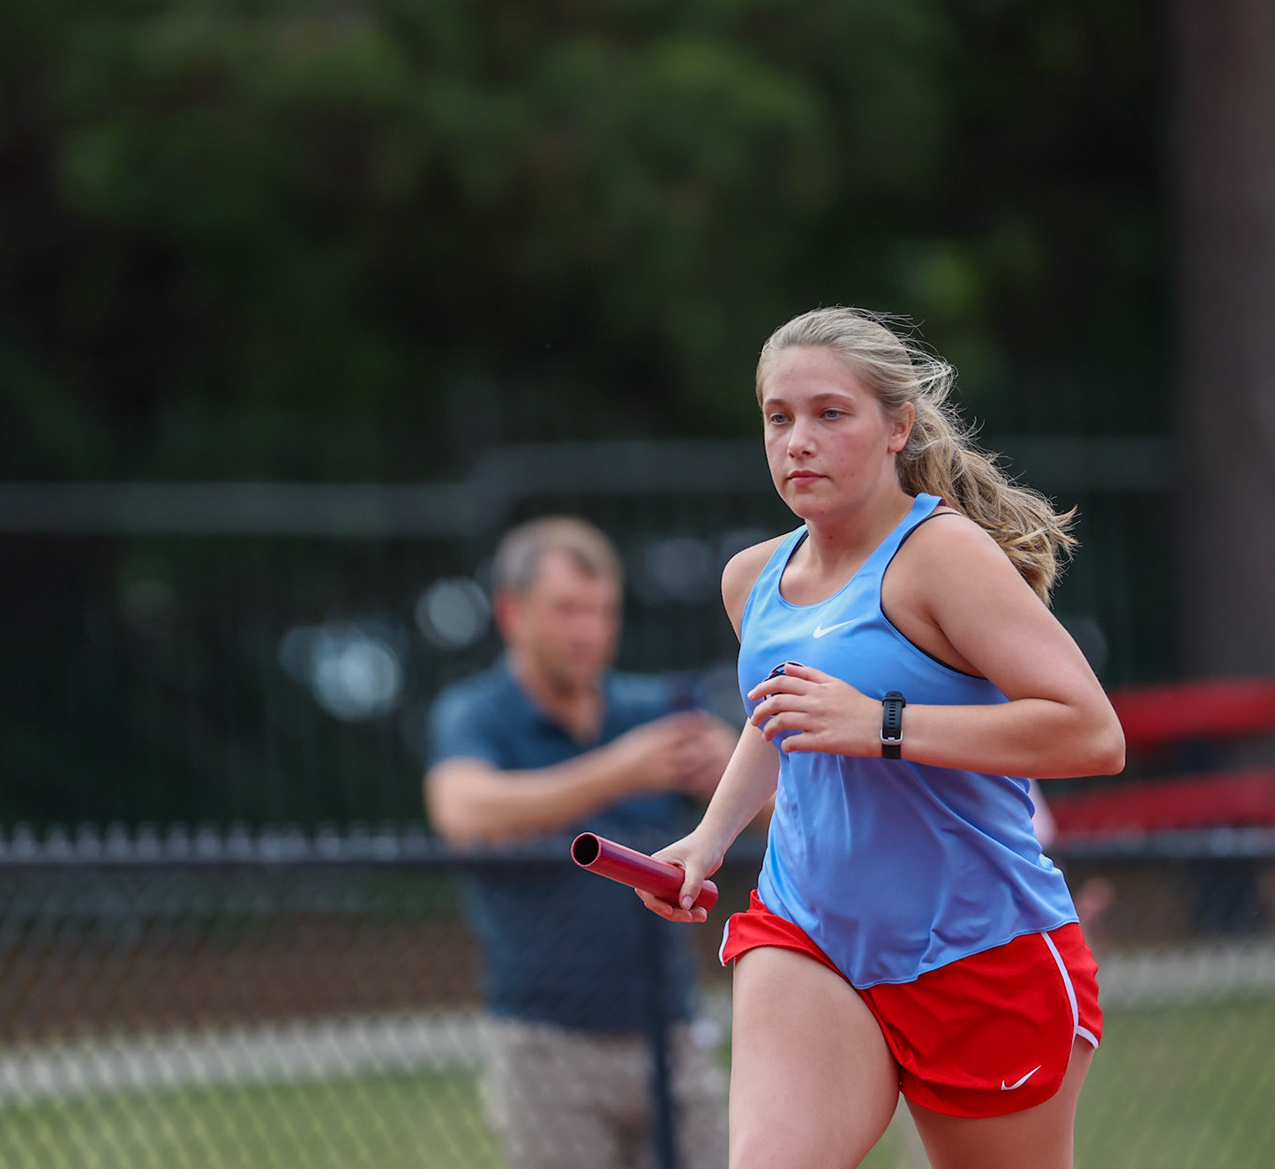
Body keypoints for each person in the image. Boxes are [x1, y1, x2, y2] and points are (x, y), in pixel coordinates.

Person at [637, 308, 1126, 1169]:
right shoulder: (751, 578)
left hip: (980, 950)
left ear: (897, 426)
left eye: (831, 414)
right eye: (778, 418)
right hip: (809, 933)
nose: (798, 442)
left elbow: (1092, 735)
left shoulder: (943, 556)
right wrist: (707, 842)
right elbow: (779, 716)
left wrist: (883, 725)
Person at [425, 516, 738, 1169]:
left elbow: (777, 812)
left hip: (670, 1031)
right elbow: (461, 809)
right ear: (512, 614)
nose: (589, 631)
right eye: (568, 610)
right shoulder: (477, 714)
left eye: (602, 611)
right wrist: (619, 770)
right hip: (546, 1045)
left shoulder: (649, 709)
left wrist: (735, 769)